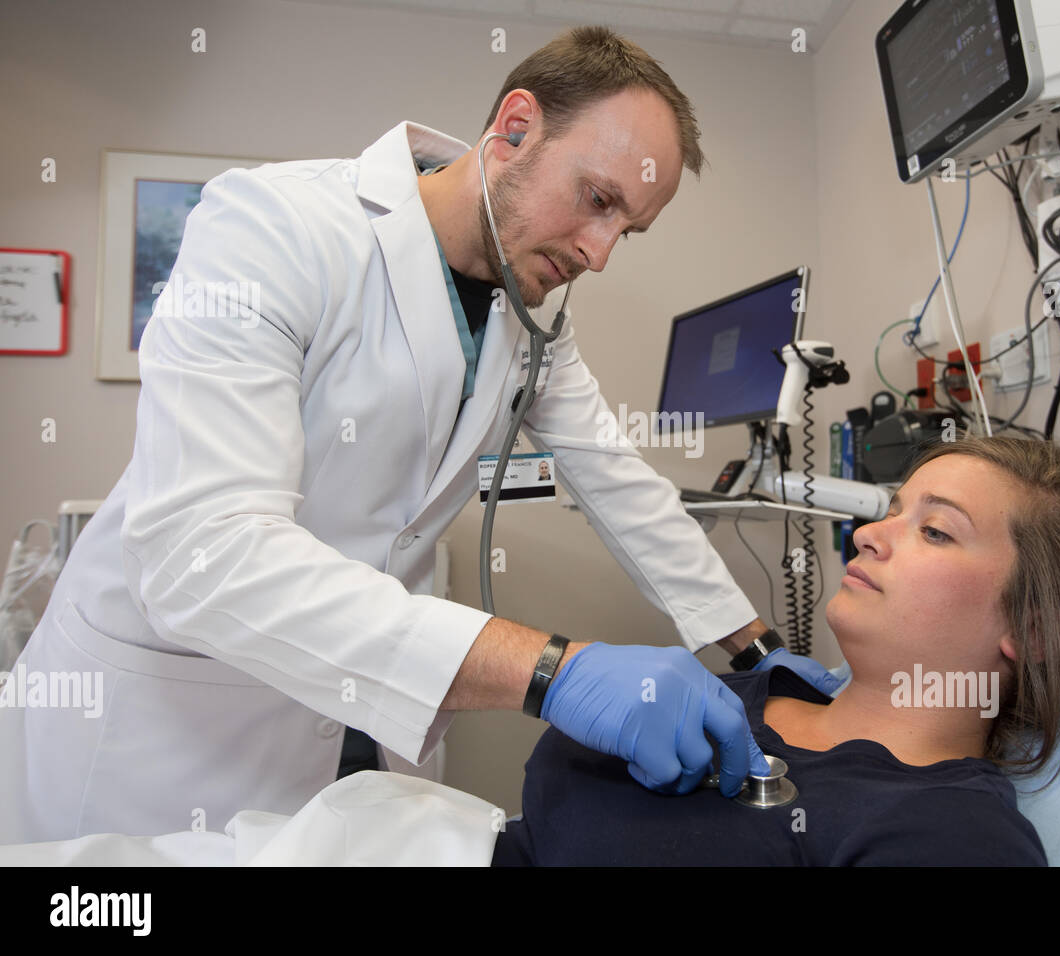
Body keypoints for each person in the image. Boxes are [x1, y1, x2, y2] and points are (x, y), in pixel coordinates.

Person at [0, 26, 842, 843]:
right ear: (514, 129)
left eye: (628, 228)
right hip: (163, 720)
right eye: (597, 201)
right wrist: (552, 670)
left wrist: (753, 648)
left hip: (343, 712)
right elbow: (205, 552)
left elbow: (617, 481)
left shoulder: (531, 320)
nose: (600, 253)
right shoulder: (272, 226)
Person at [493, 436, 1060, 866]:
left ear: (1035, 632)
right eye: (892, 511)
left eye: (936, 532)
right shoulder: (734, 696)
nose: (867, 536)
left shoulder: (947, 830)